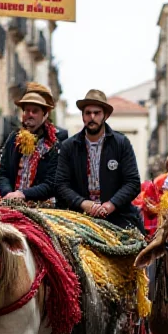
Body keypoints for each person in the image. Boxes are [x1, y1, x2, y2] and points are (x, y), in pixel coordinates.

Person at [54, 89, 142, 230]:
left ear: (105, 115)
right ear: (83, 116)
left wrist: (111, 205)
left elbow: (133, 183)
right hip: (79, 218)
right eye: (88, 113)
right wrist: (83, 203)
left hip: (118, 216)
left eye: (97, 113)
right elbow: (61, 184)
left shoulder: (121, 143)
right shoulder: (69, 146)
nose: (92, 117)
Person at [0, 87, 61, 203]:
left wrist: (23, 194)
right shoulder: (13, 139)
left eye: (35, 111)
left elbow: (51, 183)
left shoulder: (54, 145)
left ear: (44, 114)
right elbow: (3, 173)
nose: (29, 115)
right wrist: (9, 193)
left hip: (42, 206)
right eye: (26, 111)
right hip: (11, 202)